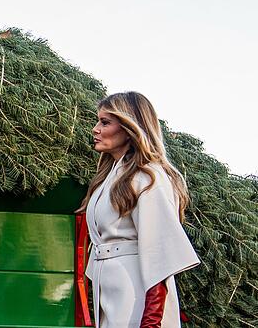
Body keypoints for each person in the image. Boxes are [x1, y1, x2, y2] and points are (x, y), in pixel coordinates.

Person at [79, 91, 199, 327]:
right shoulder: (110, 177)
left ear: (129, 128)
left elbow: (160, 253)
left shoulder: (149, 176)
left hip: (138, 294)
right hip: (111, 292)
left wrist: (151, 322)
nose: (95, 129)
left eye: (105, 122)